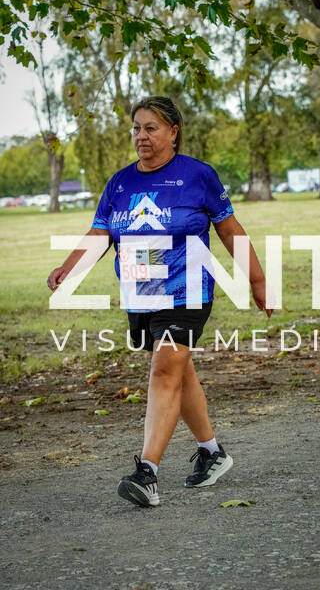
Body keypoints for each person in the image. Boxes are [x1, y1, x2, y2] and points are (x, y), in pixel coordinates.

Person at [47, 96, 272, 508]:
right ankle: (211, 452)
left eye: (151, 128)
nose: (141, 136)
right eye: (136, 128)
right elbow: (100, 235)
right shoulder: (120, 183)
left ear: (173, 132)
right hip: (141, 293)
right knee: (177, 372)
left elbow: (230, 230)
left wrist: (258, 280)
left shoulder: (198, 175)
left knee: (165, 367)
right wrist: (68, 269)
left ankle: (147, 472)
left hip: (187, 289)